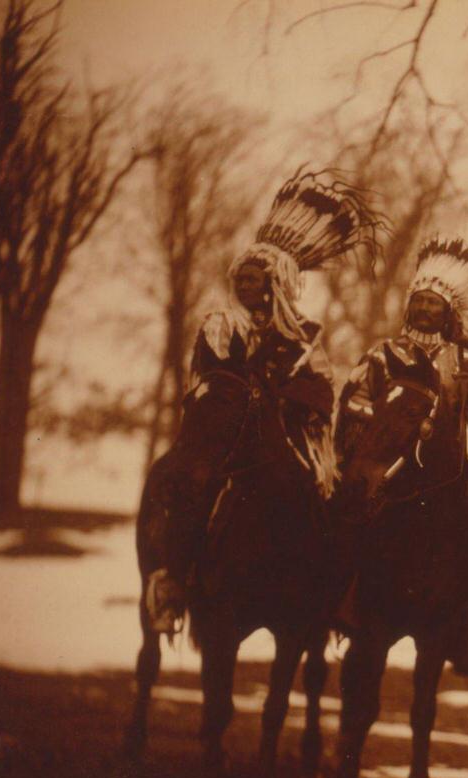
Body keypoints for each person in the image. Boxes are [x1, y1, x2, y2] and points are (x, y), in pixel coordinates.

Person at [144, 170, 380, 632]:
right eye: (242, 278)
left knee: (325, 496)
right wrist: (246, 389)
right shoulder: (220, 325)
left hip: (287, 437)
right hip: (223, 434)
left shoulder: (304, 338)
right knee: (194, 487)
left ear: (275, 284)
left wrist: (287, 401)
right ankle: (175, 582)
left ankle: (327, 597)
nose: (246, 285)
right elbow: (212, 375)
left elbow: (321, 388)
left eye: (255, 279)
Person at [336, 236, 468, 472]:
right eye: (418, 300)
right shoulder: (381, 354)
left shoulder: (462, 361)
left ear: (448, 313)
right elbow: (355, 411)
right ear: (408, 307)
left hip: (441, 469)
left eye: (433, 302)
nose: (424, 308)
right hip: (382, 467)